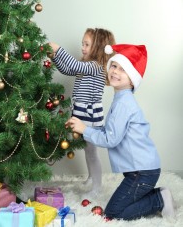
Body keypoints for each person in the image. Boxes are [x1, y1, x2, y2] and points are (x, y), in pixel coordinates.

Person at [65, 43, 176, 221]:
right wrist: (86, 127)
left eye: (123, 69)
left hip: (142, 172)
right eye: (114, 66)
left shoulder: (124, 103)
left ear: (132, 79)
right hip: (142, 170)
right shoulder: (121, 99)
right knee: (121, 205)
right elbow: (110, 130)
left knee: (114, 213)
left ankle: (158, 199)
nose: (115, 71)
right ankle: (159, 194)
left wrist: (85, 130)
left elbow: (111, 139)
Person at [48, 28, 116, 199]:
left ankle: (98, 186)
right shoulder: (86, 66)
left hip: (90, 116)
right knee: (88, 150)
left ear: (98, 47)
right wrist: (54, 57)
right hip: (82, 112)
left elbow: (74, 65)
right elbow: (67, 69)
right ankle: (92, 177)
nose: (83, 48)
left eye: (86, 44)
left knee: (92, 152)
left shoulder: (95, 66)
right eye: (82, 44)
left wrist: (58, 49)